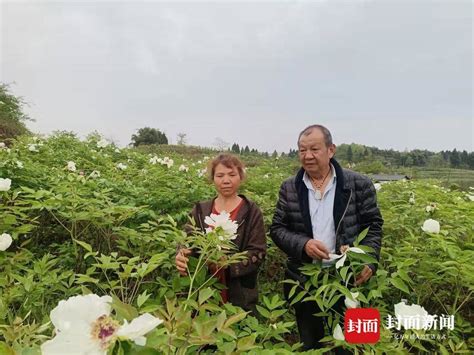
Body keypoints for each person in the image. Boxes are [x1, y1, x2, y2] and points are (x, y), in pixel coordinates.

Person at [270, 124, 383, 350]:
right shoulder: (290, 187)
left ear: (331, 150)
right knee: (311, 343)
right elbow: (278, 229)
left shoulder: (358, 184)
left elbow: (373, 225)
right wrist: (304, 244)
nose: (307, 156)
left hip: (350, 277)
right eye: (302, 150)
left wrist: (369, 260)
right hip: (306, 280)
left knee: (355, 342)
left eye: (314, 149)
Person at [175, 153, 266, 313]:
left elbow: (258, 252)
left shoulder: (251, 211)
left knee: (235, 332)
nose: (226, 180)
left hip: (239, 293)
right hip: (203, 288)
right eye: (220, 175)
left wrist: (228, 264)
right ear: (213, 179)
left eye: (232, 174)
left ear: (240, 177)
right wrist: (182, 254)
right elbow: (187, 241)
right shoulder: (200, 210)